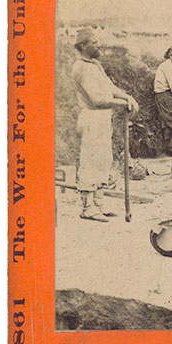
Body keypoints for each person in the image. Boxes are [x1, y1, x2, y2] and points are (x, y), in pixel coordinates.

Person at [70, 28, 139, 221]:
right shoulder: (81, 68)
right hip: (91, 118)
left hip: (102, 119)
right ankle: (87, 207)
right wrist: (123, 104)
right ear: (83, 45)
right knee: (90, 162)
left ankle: (99, 204)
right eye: (94, 42)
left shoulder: (94, 65)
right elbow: (97, 99)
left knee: (103, 159)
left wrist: (127, 96)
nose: (98, 45)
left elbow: (110, 88)